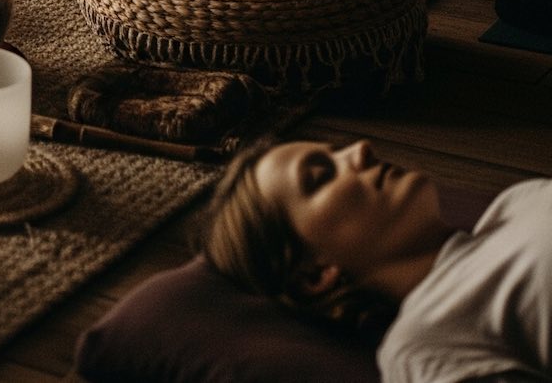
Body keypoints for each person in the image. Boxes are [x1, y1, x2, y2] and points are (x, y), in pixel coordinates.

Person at [202, 138, 550, 381]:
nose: (361, 149)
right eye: (321, 176)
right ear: (315, 275)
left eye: (337, 151)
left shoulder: (513, 204)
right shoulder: (424, 343)